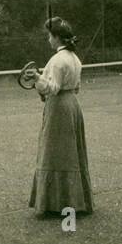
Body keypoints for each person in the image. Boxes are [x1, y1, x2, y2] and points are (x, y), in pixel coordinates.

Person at [25, 17, 93, 216]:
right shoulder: (75, 58)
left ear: (57, 38)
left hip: (59, 109)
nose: (48, 39)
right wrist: (41, 80)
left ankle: (52, 206)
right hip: (72, 105)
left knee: (53, 151)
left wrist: (37, 78)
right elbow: (76, 87)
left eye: (49, 35)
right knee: (70, 152)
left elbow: (52, 89)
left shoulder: (57, 60)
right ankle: (74, 203)